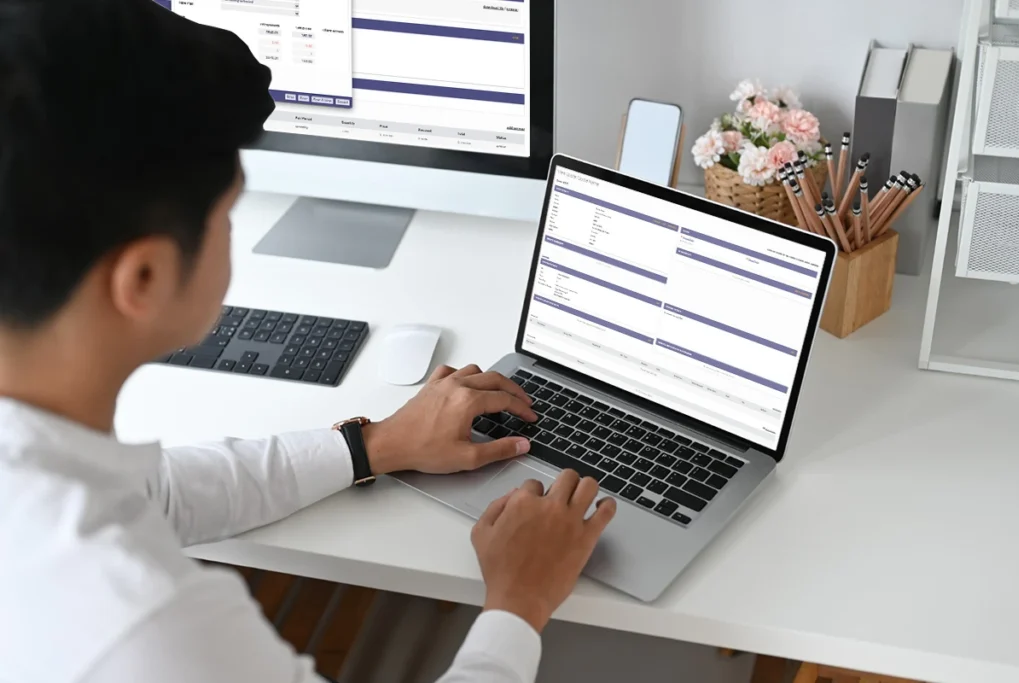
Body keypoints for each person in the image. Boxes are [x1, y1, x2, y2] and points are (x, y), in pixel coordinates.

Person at [0, 2, 617, 682]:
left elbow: (159, 493)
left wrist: (371, 444)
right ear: (143, 275)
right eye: (228, 212)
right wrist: (518, 600)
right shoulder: (144, 631)